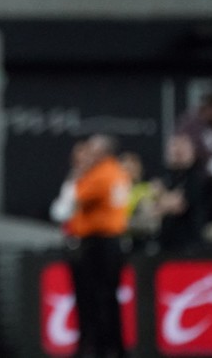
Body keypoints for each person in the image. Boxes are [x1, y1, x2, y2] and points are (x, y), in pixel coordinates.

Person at [67, 134, 130, 358]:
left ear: (103, 152)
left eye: (92, 149)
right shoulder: (116, 172)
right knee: (107, 298)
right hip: (109, 243)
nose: (87, 153)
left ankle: (101, 348)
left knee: (97, 299)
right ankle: (112, 347)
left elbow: (74, 197)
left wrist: (78, 174)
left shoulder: (101, 174)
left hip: (100, 243)